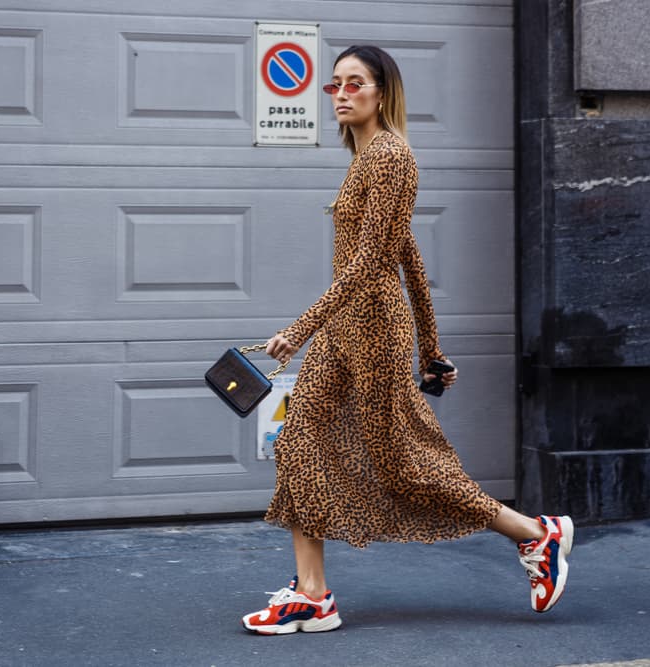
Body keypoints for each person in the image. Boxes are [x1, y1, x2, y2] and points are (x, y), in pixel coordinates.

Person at [242, 45, 573, 635]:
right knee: (298, 443)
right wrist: (432, 346)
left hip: (370, 333)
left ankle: (534, 534)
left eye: (354, 84)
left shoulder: (392, 157)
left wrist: (300, 328)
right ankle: (312, 594)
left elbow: (373, 263)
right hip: (349, 328)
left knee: (405, 464)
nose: (341, 94)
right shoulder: (366, 156)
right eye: (334, 85)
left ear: (381, 92)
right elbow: (409, 256)